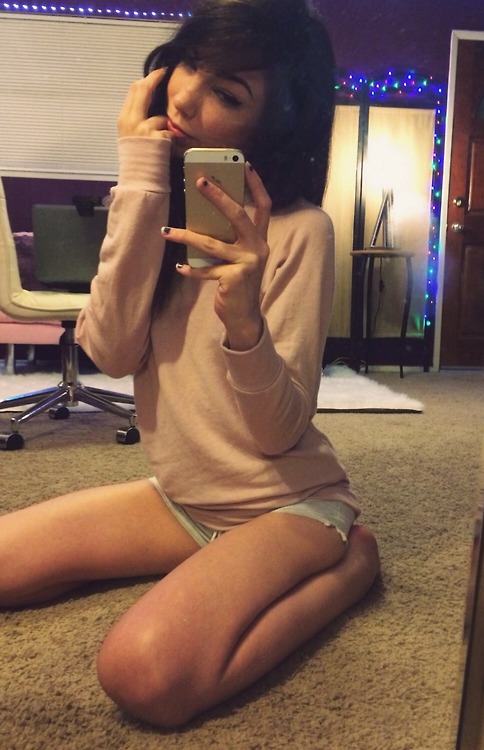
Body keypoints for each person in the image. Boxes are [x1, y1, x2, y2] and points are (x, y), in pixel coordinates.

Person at [0, 0, 380, 729]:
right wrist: (139, 183)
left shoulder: (301, 232)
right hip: (181, 500)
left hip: (285, 503)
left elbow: (278, 432)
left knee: (142, 674)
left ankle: (351, 563)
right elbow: (109, 351)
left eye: (227, 94)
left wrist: (245, 320)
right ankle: (222, 570)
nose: (184, 97)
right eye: (192, 62)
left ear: (271, 128)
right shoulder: (153, 206)